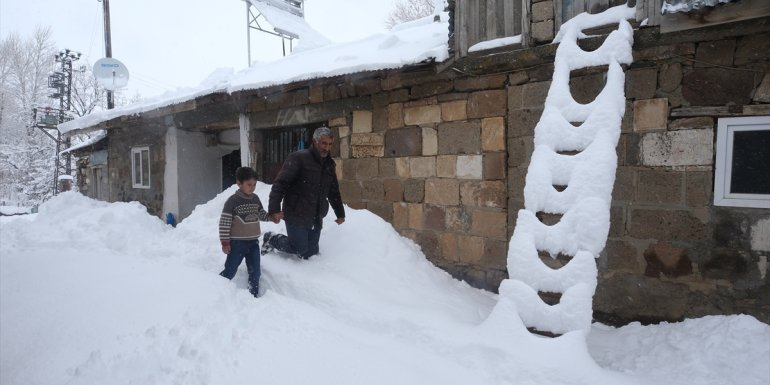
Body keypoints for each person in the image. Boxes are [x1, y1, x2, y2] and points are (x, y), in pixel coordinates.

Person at [261, 126, 345, 259]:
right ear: (315, 141)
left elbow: (333, 191)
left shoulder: (329, 164)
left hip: (316, 214)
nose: (327, 148)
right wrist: (274, 209)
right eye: (324, 143)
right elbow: (280, 184)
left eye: (330, 144)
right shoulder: (298, 158)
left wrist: (340, 213)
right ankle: (271, 239)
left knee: (311, 252)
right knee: (299, 248)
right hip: (296, 212)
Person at [218, 167, 269, 297]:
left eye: (254, 184)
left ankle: (252, 296)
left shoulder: (255, 199)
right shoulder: (232, 201)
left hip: (253, 243)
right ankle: (215, 288)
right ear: (239, 183)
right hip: (237, 244)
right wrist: (225, 242)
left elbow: (261, 214)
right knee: (230, 270)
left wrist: (272, 217)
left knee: (255, 272)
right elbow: (224, 223)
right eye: (249, 184)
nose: (252, 187)